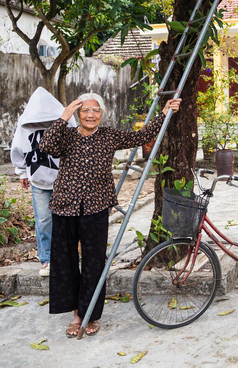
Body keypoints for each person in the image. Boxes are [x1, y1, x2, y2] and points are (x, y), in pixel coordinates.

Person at [40, 92, 181, 337]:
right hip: (65, 206)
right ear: (77, 114)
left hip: (96, 207)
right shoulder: (67, 135)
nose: (90, 115)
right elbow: (46, 147)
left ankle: (89, 315)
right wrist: (63, 116)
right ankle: (75, 314)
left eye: (95, 110)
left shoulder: (109, 136)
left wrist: (165, 111)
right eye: (85, 110)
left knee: (94, 263)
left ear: (101, 114)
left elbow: (142, 135)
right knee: (66, 262)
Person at [10, 87, 75, 277]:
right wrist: (22, 172)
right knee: (44, 221)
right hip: (38, 181)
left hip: (65, 181)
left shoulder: (67, 119)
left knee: (67, 219)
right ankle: (46, 259)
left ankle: (66, 257)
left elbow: (76, 146)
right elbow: (18, 148)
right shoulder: (24, 123)